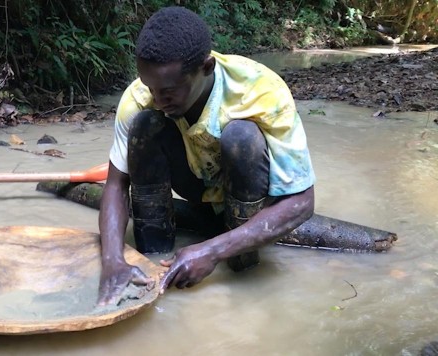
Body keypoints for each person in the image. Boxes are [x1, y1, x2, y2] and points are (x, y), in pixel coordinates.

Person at [97, 6, 316, 306]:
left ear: (207, 67)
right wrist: (112, 260)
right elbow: (115, 184)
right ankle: (152, 261)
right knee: (145, 124)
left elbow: (302, 203)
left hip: (248, 198)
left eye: (170, 91)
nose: (159, 100)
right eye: (151, 88)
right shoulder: (139, 98)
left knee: (241, 137)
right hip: (196, 187)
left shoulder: (262, 91)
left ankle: (242, 264)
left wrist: (212, 251)